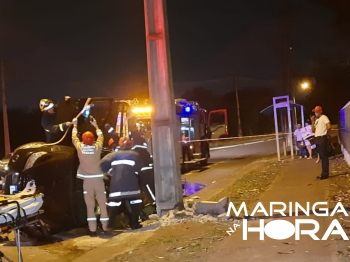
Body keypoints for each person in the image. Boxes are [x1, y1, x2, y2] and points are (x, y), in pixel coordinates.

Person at [71, 117, 109, 236]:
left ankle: (92, 230)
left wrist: (75, 126)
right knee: (102, 203)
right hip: (98, 180)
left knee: (89, 205)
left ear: (83, 140)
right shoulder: (97, 147)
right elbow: (101, 137)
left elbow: (74, 138)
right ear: (93, 140)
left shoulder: (80, 148)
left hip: (87, 181)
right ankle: (105, 227)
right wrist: (96, 126)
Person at [100, 137, 144, 230]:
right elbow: (139, 169)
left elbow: (102, 164)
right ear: (130, 144)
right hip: (132, 187)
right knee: (136, 203)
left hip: (116, 187)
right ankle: (134, 224)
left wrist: (111, 173)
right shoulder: (135, 155)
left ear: (120, 144)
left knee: (113, 206)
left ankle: (107, 225)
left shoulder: (112, 155)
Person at [311, 106, 331, 180]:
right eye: (315, 112)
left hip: (322, 138)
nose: (316, 113)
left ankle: (325, 174)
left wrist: (326, 134)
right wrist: (312, 121)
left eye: (317, 111)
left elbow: (329, 126)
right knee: (322, 156)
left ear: (321, 111)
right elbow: (313, 130)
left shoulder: (324, 117)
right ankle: (323, 173)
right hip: (317, 138)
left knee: (324, 156)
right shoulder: (316, 120)